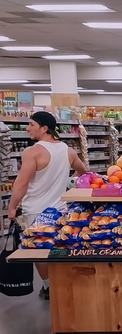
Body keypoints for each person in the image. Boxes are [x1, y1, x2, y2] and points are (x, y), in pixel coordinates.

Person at [8, 111, 88, 300]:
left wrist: (12, 207)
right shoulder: (67, 150)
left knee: (38, 250)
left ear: (44, 128)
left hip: (36, 211)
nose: (28, 129)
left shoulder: (32, 151)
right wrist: (68, 182)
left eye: (31, 125)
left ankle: (48, 286)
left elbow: (22, 182)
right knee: (60, 246)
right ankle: (64, 282)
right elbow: (83, 172)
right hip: (62, 210)